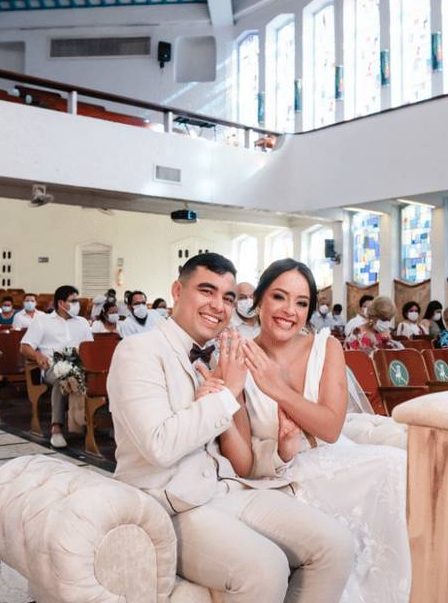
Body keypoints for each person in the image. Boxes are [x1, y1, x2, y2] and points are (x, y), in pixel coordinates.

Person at [229, 258, 448, 603]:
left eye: (301, 302)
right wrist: (282, 439)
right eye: (279, 297)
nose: (289, 311)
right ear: (259, 299)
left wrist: (277, 389)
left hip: (335, 455)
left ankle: (444, 585)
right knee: (392, 471)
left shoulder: (324, 347)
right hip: (286, 471)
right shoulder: (238, 355)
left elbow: (330, 425)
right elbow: (243, 457)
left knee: (399, 468)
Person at [107, 253, 354, 602]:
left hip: (230, 489)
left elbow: (244, 459)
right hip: (174, 502)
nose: (218, 306)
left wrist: (283, 449)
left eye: (227, 297)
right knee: (265, 566)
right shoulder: (138, 351)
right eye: (206, 291)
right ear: (178, 290)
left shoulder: (222, 355)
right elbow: (158, 445)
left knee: (336, 545)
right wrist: (225, 395)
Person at [20, 285, 93, 448]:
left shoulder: (81, 322)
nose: (77, 304)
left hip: (79, 366)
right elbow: (24, 347)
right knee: (63, 378)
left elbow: (90, 347)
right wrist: (38, 355)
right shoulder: (42, 321)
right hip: (52, 366)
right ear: (61, 303)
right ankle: (57, 429)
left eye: (77, 301)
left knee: (75, 377)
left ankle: (91, 422)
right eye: (73, 301)